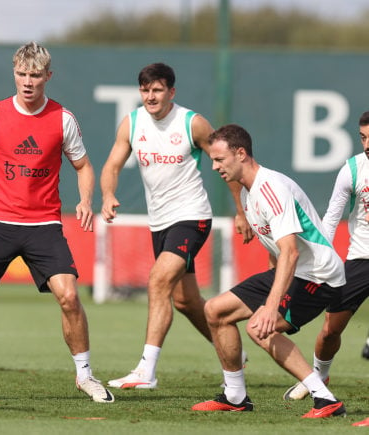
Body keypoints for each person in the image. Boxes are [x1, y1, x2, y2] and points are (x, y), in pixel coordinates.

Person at [0, 41, 113, 403]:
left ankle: (85, 376)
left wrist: (85, 199)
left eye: (35, 75)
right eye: (22, 73)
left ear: (48, 76)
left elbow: (83, 165)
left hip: (44, 225)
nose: (28, 81)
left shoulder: (63, 119)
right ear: (14, 73)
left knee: (68, 296)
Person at [99, 62, 252, 389]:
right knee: (185, 301)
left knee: (157, 281)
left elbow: (229, 164)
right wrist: (108, 194)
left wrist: (241, 211)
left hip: (192, 216)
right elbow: (112, 164)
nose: (150, 96)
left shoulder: (192, 123)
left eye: (157, 90)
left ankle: (146, 370)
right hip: (160, 222)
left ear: (171, 91)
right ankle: (232, 353)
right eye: (145, 90)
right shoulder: (132, 122)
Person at [192, 124, 345, 418]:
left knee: (258, 328)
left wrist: (269, 306)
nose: (214, 167)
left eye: (219, 159)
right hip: (295, 271)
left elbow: (291, 250)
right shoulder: (249, 194)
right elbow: (279, 252)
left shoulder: (270, 187)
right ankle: (235, 396)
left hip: (319, 276)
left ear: (241, 153)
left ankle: (325, 399)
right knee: (215, 311)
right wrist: (268, 293)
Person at [282, 111, 369, 405]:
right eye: (363, 137)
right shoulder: (353, 169)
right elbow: (330, 220)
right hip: (360, 259)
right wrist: (322, 259)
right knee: (330, 330)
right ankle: (319, 376)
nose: (367, 144)